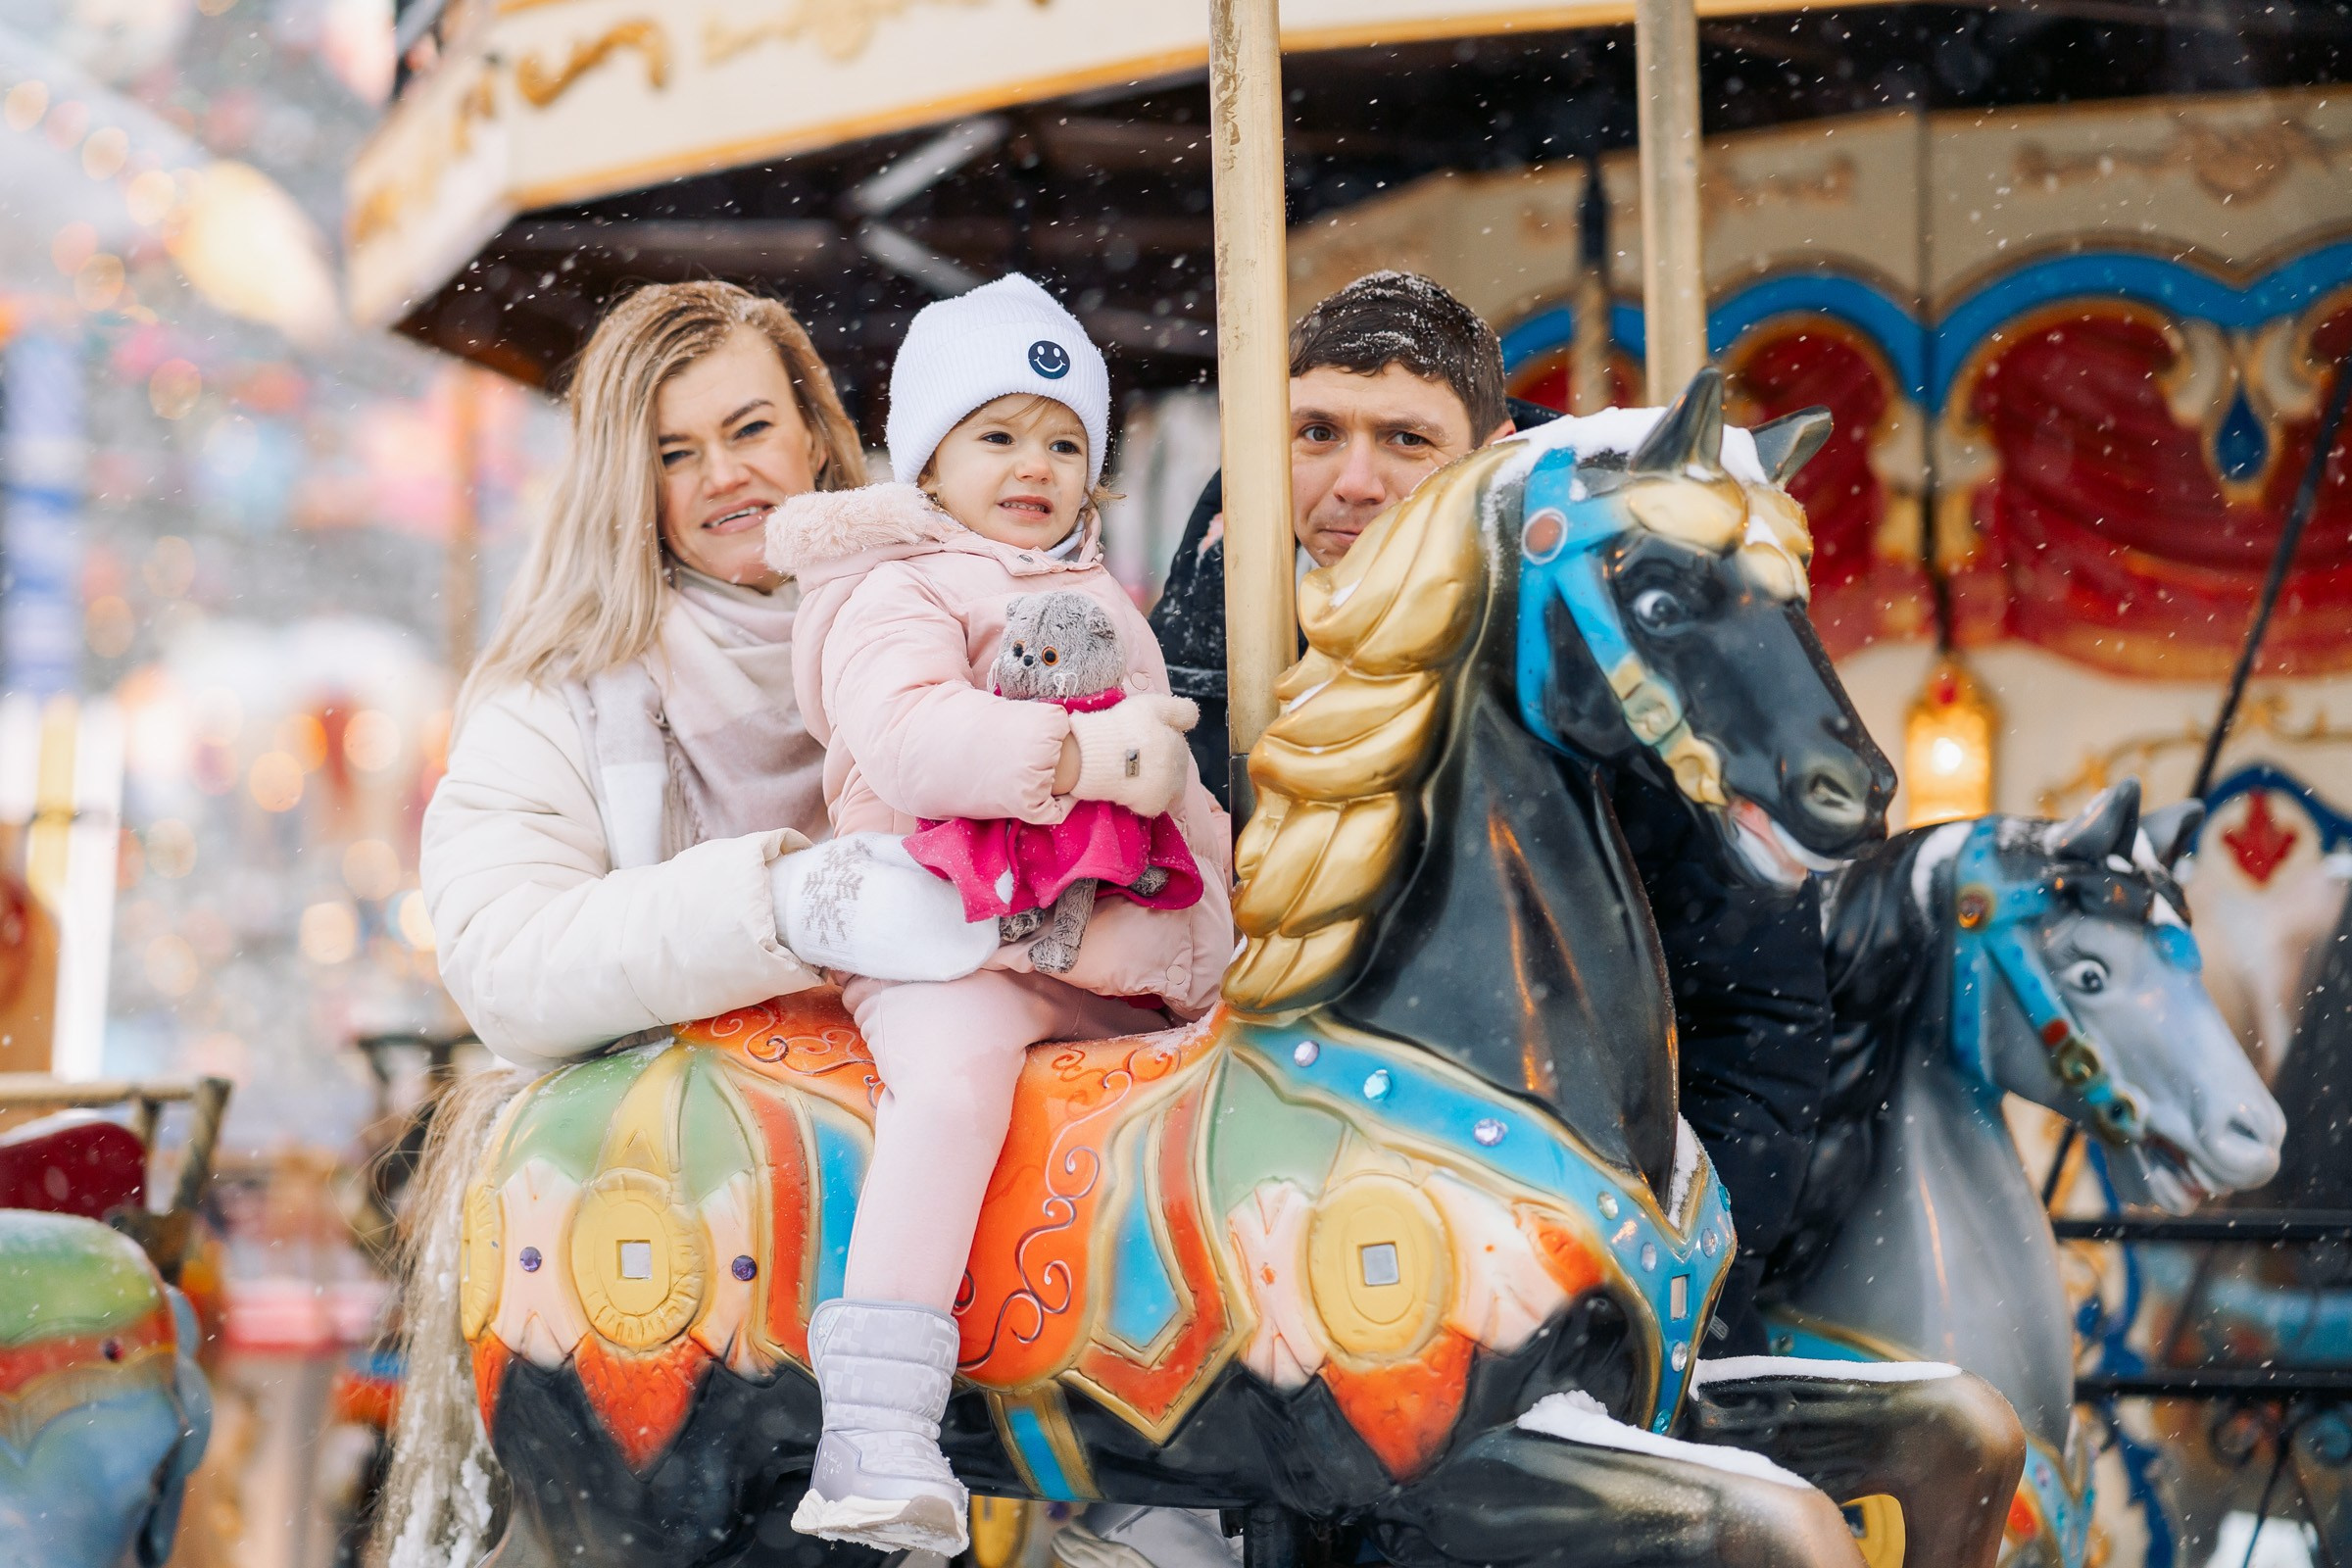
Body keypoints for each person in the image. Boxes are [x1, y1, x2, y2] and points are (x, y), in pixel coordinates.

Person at [1147, 270, 1834, 1358]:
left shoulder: (1608, 652)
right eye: (1316, 432)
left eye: (1408, 442)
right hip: (1266, 1220)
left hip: (1562, 1244)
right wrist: (1218, 666)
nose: (1355, 481)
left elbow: (1753, 996)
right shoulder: (1214, 607)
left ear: (1491, 454)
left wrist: (1691, 1271)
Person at [767, 274, 1231, 1555]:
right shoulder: (897, 587)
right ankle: (876, 1427)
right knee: (957, 1088)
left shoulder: (1105, 601)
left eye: (1064, 440)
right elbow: (911, 741)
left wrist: (1230, 924)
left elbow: (1175, 792)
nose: (1035, 465)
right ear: (927, 458)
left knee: (1184, 1114)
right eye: (999, 434)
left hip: (1086, 937)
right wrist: (1075, 763)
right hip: (941, 932)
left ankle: (1142, 1421)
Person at [421, 281, 992, 1073]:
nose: (722, 474)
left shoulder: (961, 613)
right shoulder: (554, 695)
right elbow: (505, 966)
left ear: (816, 439)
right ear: (631, 488)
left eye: (749, 428)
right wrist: (788, 903)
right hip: (691, 1164)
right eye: (674, 454)